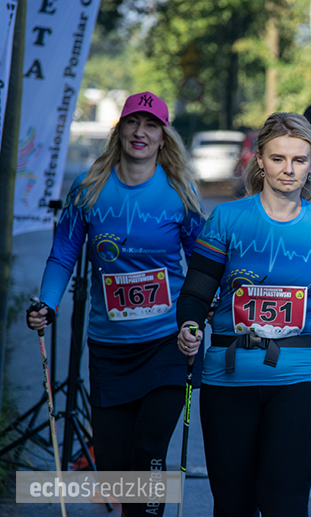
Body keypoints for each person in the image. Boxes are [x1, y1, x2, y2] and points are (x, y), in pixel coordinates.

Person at [176, 112, 311, 517]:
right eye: (278, 158)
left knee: (284, 500)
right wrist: (189, 326)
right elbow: (195, 291)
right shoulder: (228, 219)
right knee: (232, 504)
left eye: (299, 160)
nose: (289, 169)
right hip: (230, 374)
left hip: (304, 375)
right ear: (259, 160)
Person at [26, 92, 206, 517]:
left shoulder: (179, 191)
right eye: (132, 123)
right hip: (109, 346)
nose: (140, 132)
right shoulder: (89, 189)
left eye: (151, 125)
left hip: (167, 341)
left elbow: (203, 262)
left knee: (148, 449)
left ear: (164, 137)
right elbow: (63, 254)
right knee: (112, 464)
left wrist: (198, 315)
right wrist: (46, 305)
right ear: (119, 129)